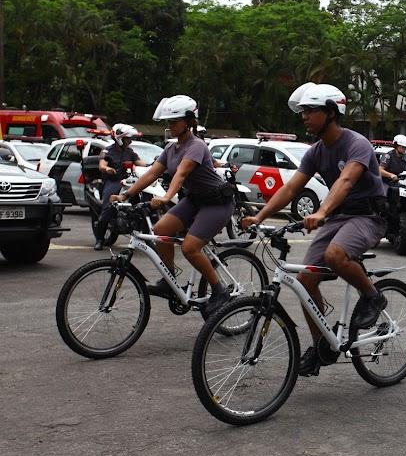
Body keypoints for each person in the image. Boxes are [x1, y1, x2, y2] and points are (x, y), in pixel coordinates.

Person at [241, 82, 388, 377]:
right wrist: (260, 216)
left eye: (310, 111)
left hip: (368, 215)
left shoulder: (356, 143)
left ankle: (372, 296)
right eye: (303, 112)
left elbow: (346, 181)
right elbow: (292, 187)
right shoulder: (316, 151)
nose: (304, 116)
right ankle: (322, 345)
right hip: (338, 217)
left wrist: (321, 211)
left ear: (331, 113)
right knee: (307, 278)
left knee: (335, 255)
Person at [110, 95, 235, 318]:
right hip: (195, 200)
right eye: (167, 122)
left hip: (217, 203)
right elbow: (152, 173)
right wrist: (126, 194)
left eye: (174, 121)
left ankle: (220, 290)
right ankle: (169, 279)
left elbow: (182, 173)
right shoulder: (171, 148)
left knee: (189, 247)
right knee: (160, 230)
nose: (169, 126)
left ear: (188, 121)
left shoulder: (197, 146)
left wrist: (167, 197)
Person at [93, 123, 148, 250]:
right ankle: (100, 239)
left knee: (142, 204)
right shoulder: (107, 151)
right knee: (108, 208)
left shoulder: (130, 152)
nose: (130, 141)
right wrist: (107, 169)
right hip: (113, 181)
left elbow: (140, 163)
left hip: (129, 182)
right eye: (128, 138)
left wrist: (152, 165)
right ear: (120, 138)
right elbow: (102, 165)